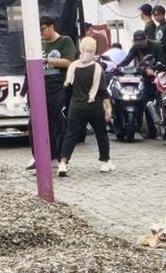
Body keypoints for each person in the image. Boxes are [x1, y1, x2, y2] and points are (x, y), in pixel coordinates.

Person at [58, 38, 115, 176]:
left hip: (76, 107)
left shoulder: (73, 67)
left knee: (70, 135)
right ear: (94, 50)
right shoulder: (97, 68)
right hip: (94, 106)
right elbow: (102, 91)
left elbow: (67, 89)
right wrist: (108, 108)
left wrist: (66, 106)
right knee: (101, 134)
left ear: (80, 49)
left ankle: (63, 163)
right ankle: (104, 163)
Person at [31, 17, 77, 170]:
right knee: (36, 123)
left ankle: (60, 157)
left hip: (58, 88)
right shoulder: (40, 43)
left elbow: (69, 61)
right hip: (40, 88)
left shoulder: (65, 41)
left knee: (59, 123)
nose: (41, 33)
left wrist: (48, 60)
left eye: (43, 29)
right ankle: (40, 157)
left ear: (51, 27)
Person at [119, 30, 165, 139]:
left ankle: (161, 130)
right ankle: (149, 130)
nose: (139, 43)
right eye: (136, 41)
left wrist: (153, 70)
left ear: (146, 39)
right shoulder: (135, 48)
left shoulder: (156, 46)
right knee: (145, 103)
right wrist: (117, 67)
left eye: (141, 40)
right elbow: (127, 59)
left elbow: (162, 62)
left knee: (157, 104)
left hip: (158, 78)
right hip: (144, 78)